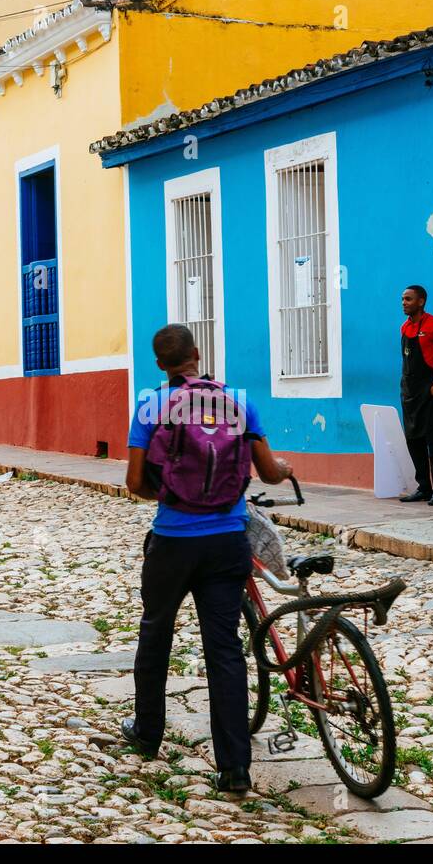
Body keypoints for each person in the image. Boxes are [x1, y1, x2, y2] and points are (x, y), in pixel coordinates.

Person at [123, 324, 293, 794]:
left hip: (173, 541)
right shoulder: (238, 400)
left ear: (160, 364)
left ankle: (147, 731)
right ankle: (235, 767)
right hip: (226, 542)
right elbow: (269, 472)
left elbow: (135, 482)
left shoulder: (151, 403)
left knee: (155, 631)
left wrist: (175, 497)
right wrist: (285, 471)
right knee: (225, 650)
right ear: (198, 354)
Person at [398, 284, 433, 506]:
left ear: (421, 301)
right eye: (403, 299)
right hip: (409, 390)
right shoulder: (404, 328)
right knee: (413, 440)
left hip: (428, 389)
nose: (404, 303)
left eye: (408, 299)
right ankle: (424, 486)